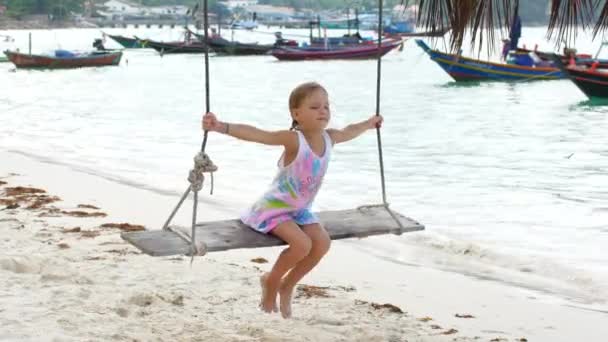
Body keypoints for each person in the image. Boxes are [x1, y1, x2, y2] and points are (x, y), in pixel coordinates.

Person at [201, 82, 383, 318]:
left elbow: (350, 129)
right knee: (302, 244)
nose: (323, 111)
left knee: (322, 244)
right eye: (315, 107)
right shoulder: (294, 140)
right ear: (296, 114)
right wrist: (221, 126)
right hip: (273, 209)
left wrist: (370, 123)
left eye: (326, 106)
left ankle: (288, 285)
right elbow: (259, 135)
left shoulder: (330, 138)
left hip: (299, 210)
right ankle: (271, 283)